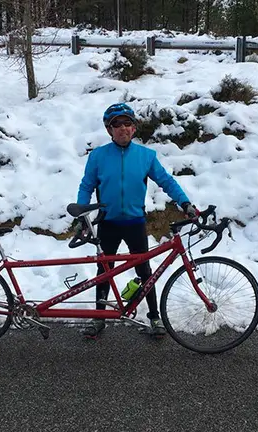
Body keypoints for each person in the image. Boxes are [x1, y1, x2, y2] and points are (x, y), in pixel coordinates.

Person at [77, 102, 198, 338]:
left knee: (145, 271)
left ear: (134, 128)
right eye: (117, 125)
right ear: (109, 129)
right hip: (108, 222)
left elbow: (166, 182)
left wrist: (185, 203)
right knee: (104, 271)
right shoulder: (98, 157)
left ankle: (154, 318)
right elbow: (86, 186)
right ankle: (99, 318)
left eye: (127, 123)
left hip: (134, 222)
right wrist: (83, 216)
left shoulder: (146, 156)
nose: (123, 128)